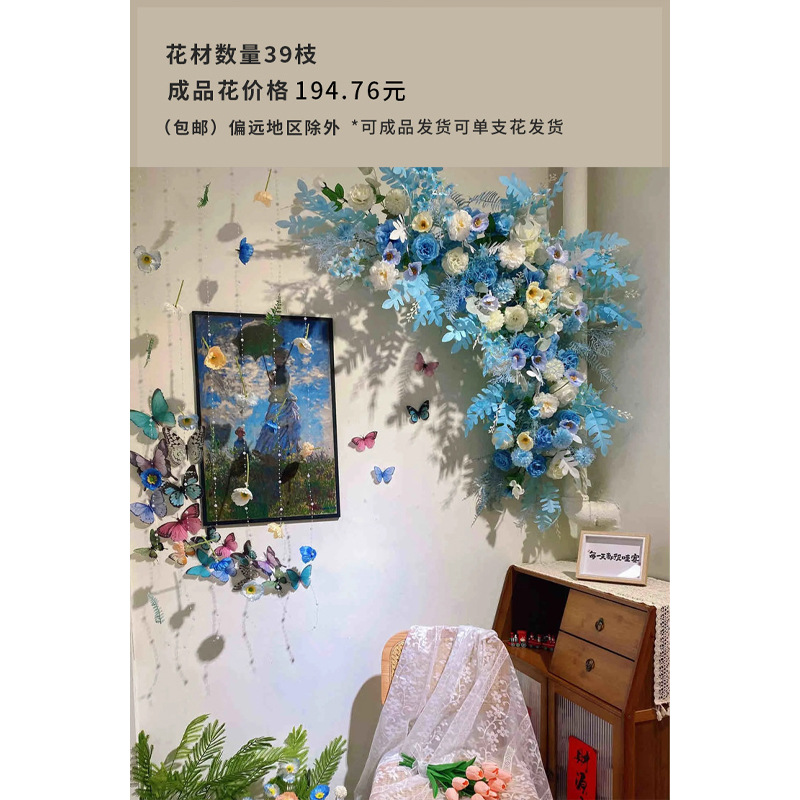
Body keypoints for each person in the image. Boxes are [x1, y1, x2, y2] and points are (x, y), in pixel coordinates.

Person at [254, 346, 302, 455]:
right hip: (275, 402)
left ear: (284, 359)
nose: (276, 360)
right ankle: (265, 450)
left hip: (283, 403)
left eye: (279, 358)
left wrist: (272, 384)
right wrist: (271, 381)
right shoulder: (275, 372)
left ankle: (283, 453)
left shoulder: (284, 373)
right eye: (275, 358)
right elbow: (273, 387)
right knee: (271, 426)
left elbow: (281, 389)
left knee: (282, 427)